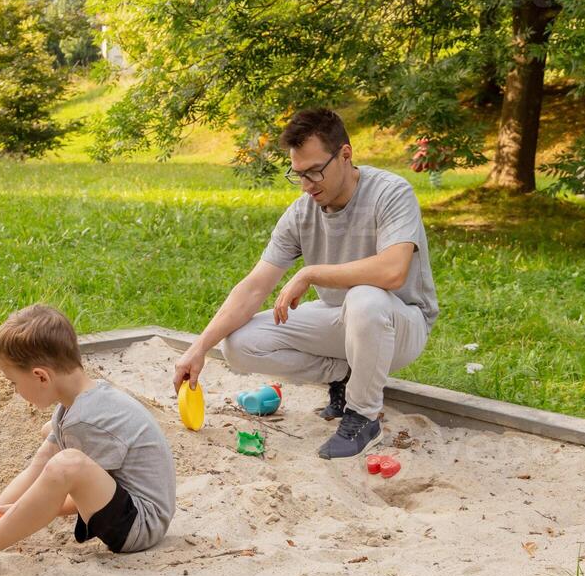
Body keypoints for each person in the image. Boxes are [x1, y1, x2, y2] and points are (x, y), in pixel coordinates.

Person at [171, 108, 439, 459]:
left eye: (314, 171)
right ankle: (344, 375)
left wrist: (310, 273)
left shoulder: (390, 192)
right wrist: (199, 347)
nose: (306, 185)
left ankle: (363, 416)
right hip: (340, 318)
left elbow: (393, 271)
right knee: (238, 344)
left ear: (345, 154)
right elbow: (254, 287)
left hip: (400, 323)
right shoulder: (302, 212)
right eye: (298, 174)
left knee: (365, 299)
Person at [0, 304, 176, 576]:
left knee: (66, 465)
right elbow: (38, 467)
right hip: (126, 507)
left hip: (140, 526)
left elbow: (76, 492)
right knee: (52, 443)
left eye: (14, 383)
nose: (15, 391)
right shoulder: (78, 403)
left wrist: (23, 510)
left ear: (41, 376)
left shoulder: (87, 421)